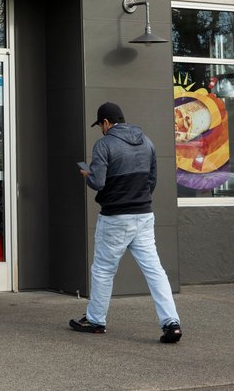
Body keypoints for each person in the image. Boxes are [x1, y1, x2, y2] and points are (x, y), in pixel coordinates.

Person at [71, 101, 182, 344]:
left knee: (103, 270)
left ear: (107, 123)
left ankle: (96, 320)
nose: (101, 129)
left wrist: (87, 174)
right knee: (154, 271)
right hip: (143, 215)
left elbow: (98, 182)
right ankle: (171, 323)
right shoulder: (147, 142)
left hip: (115, 218)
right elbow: (152, 180)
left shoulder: (104, 144)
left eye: (101, 124)